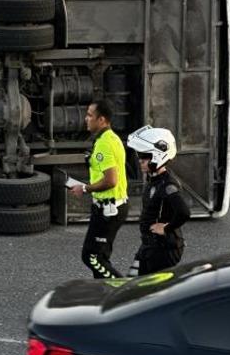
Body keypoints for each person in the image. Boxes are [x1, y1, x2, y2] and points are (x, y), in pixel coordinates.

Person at [69, 99, 129, 279]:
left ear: (101, 120)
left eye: (89, 115)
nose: (86, 119)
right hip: (108, 208)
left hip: (109, 210)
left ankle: (121, 290)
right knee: (99, 256)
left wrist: (85, 188)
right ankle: (105, 295)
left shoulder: (104, 143)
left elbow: (111, 180)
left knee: (92, 257)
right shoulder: (112, 138)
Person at [127, 126, 190, 275]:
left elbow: (184, 212)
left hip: (164, 250)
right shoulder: (154, 179)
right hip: (150, 245)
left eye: (145, 157)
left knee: (151, 292)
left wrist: (165, 228)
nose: (140, 161)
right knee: (133, 282)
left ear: (158, 156)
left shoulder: (167, 185)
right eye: (139, 156)